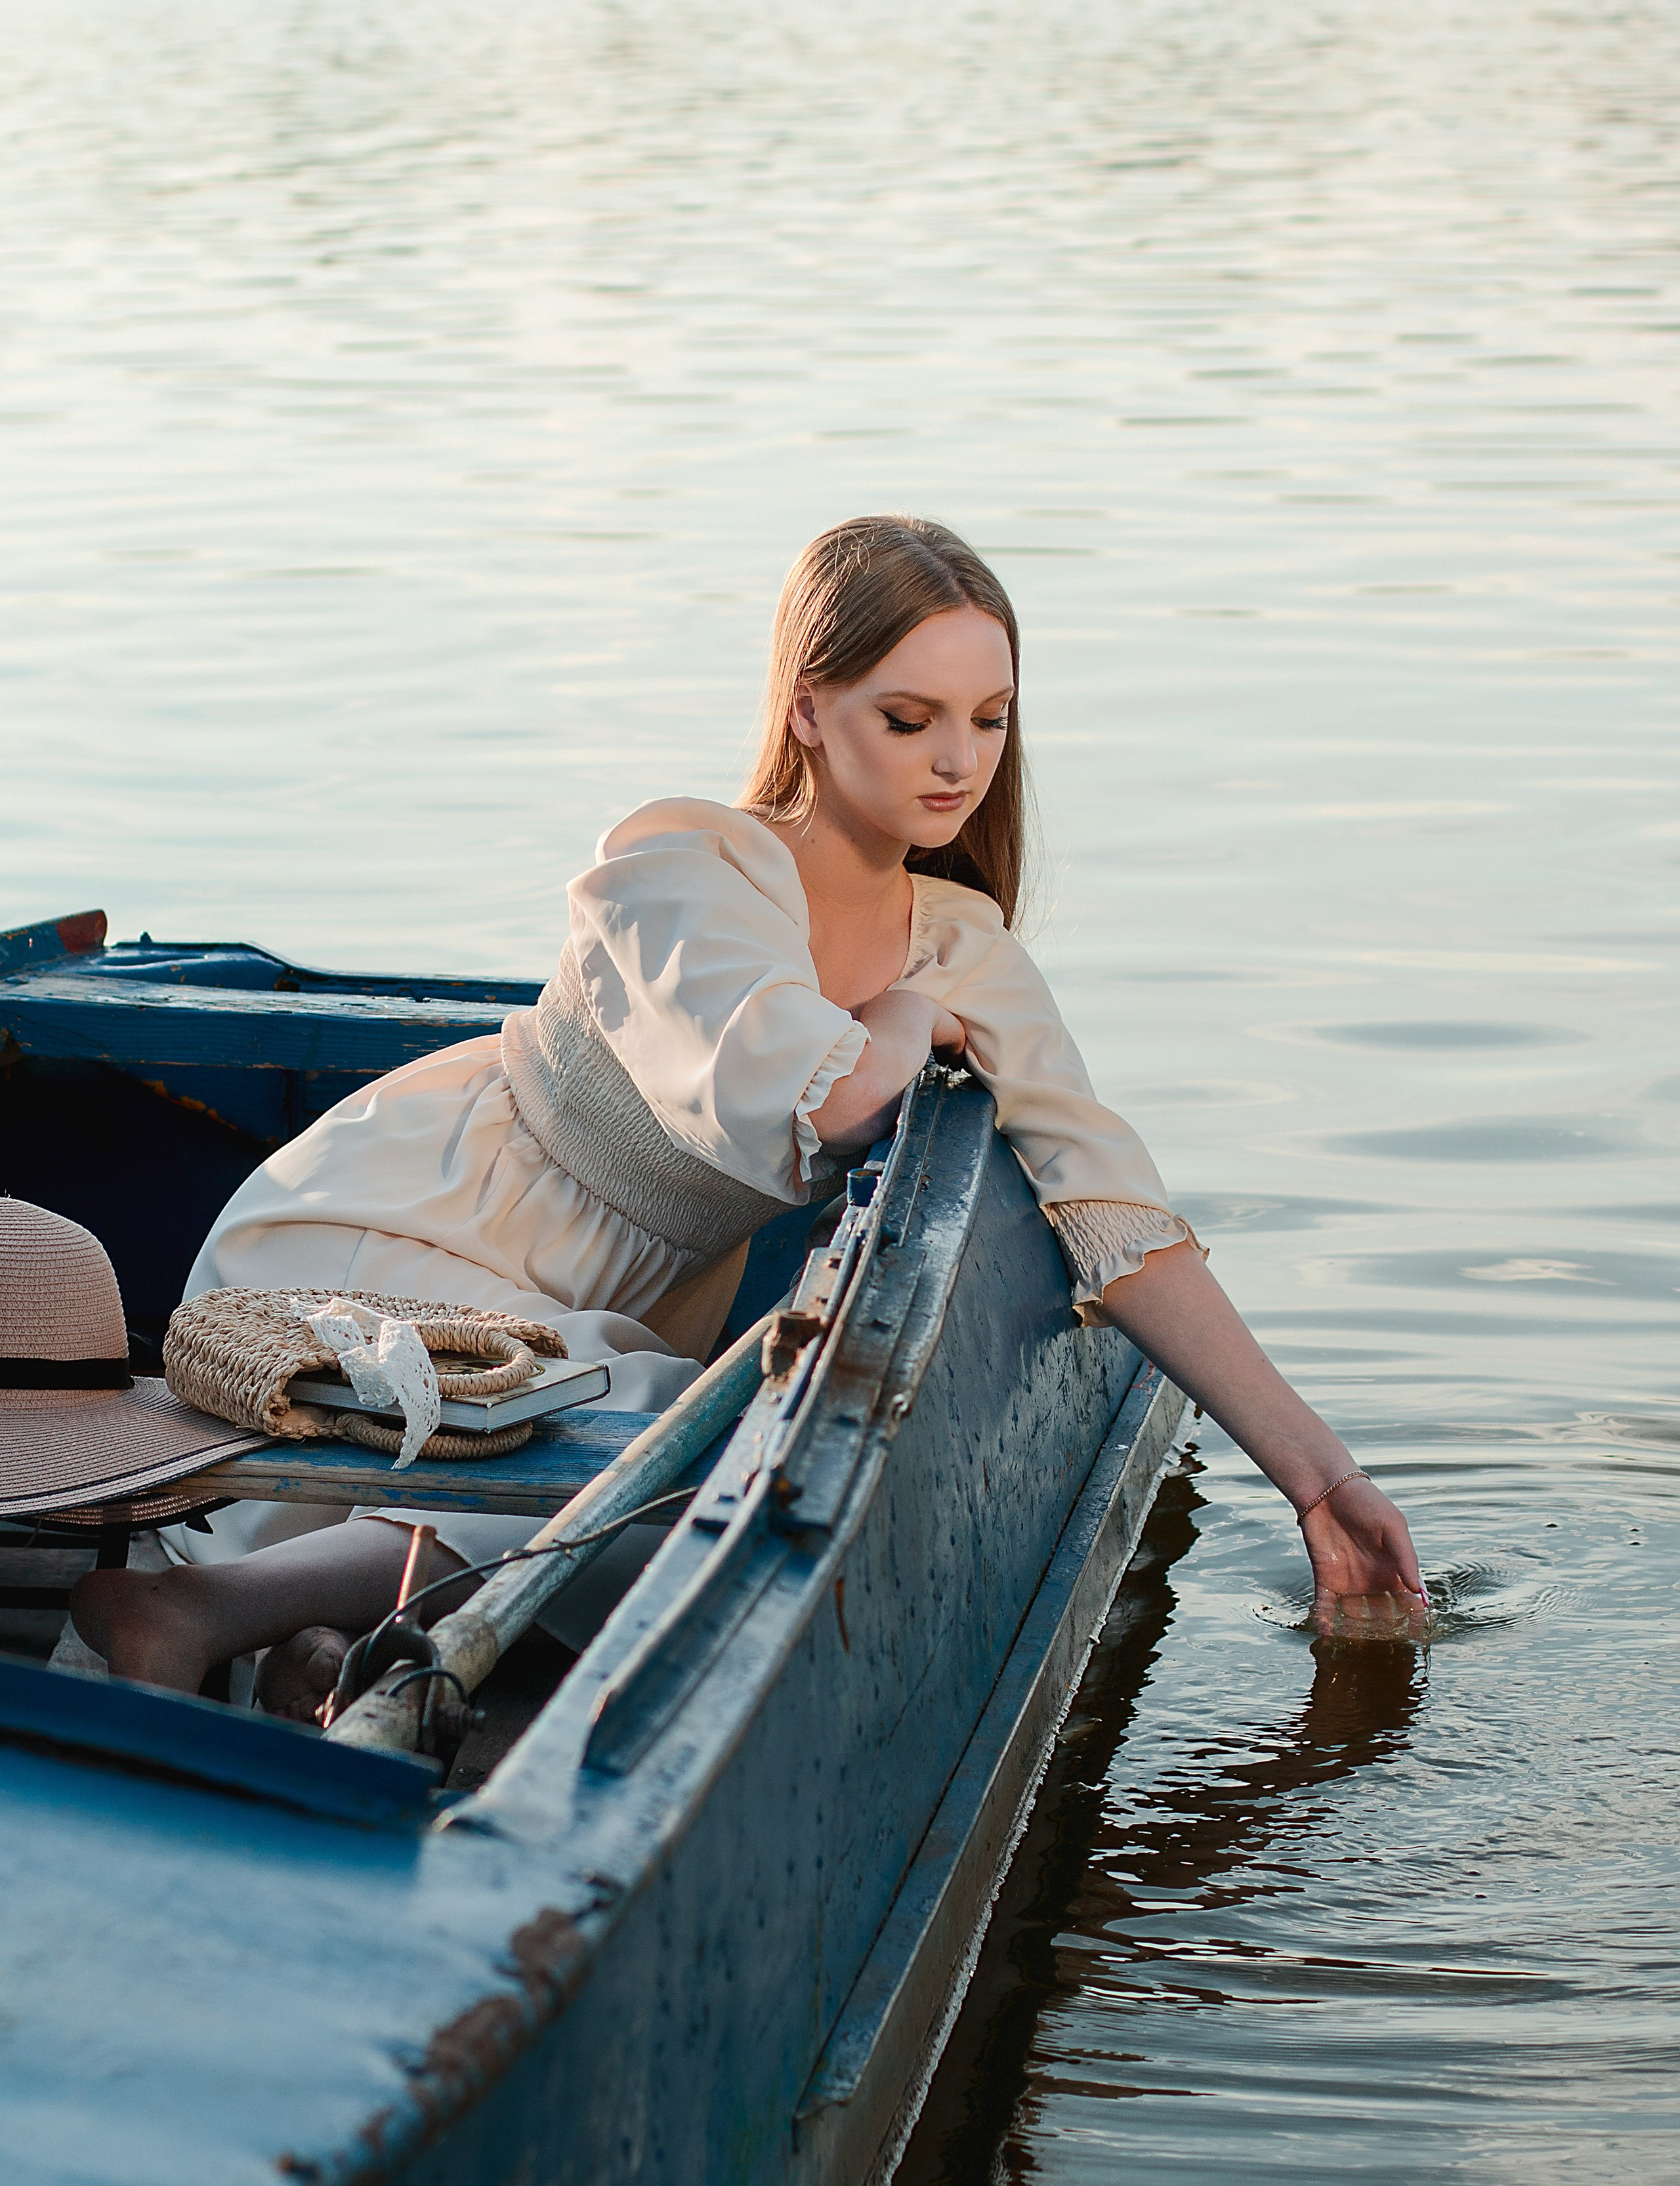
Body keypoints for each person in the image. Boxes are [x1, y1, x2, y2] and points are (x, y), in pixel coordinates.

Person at [74, 515, 1422, 1705]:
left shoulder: (964, 948)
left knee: (718, 1469)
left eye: (989, 718)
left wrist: (1316, 1475)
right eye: (909, 719)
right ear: (806, 710)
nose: (958, 762)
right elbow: (812, 1100)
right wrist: (894, 1021)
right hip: (397, 1239)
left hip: (580, 1328)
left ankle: (320, 1634)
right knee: (701, 1435)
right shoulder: (682, 866)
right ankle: (205, 1609)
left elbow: (1114, 1217)